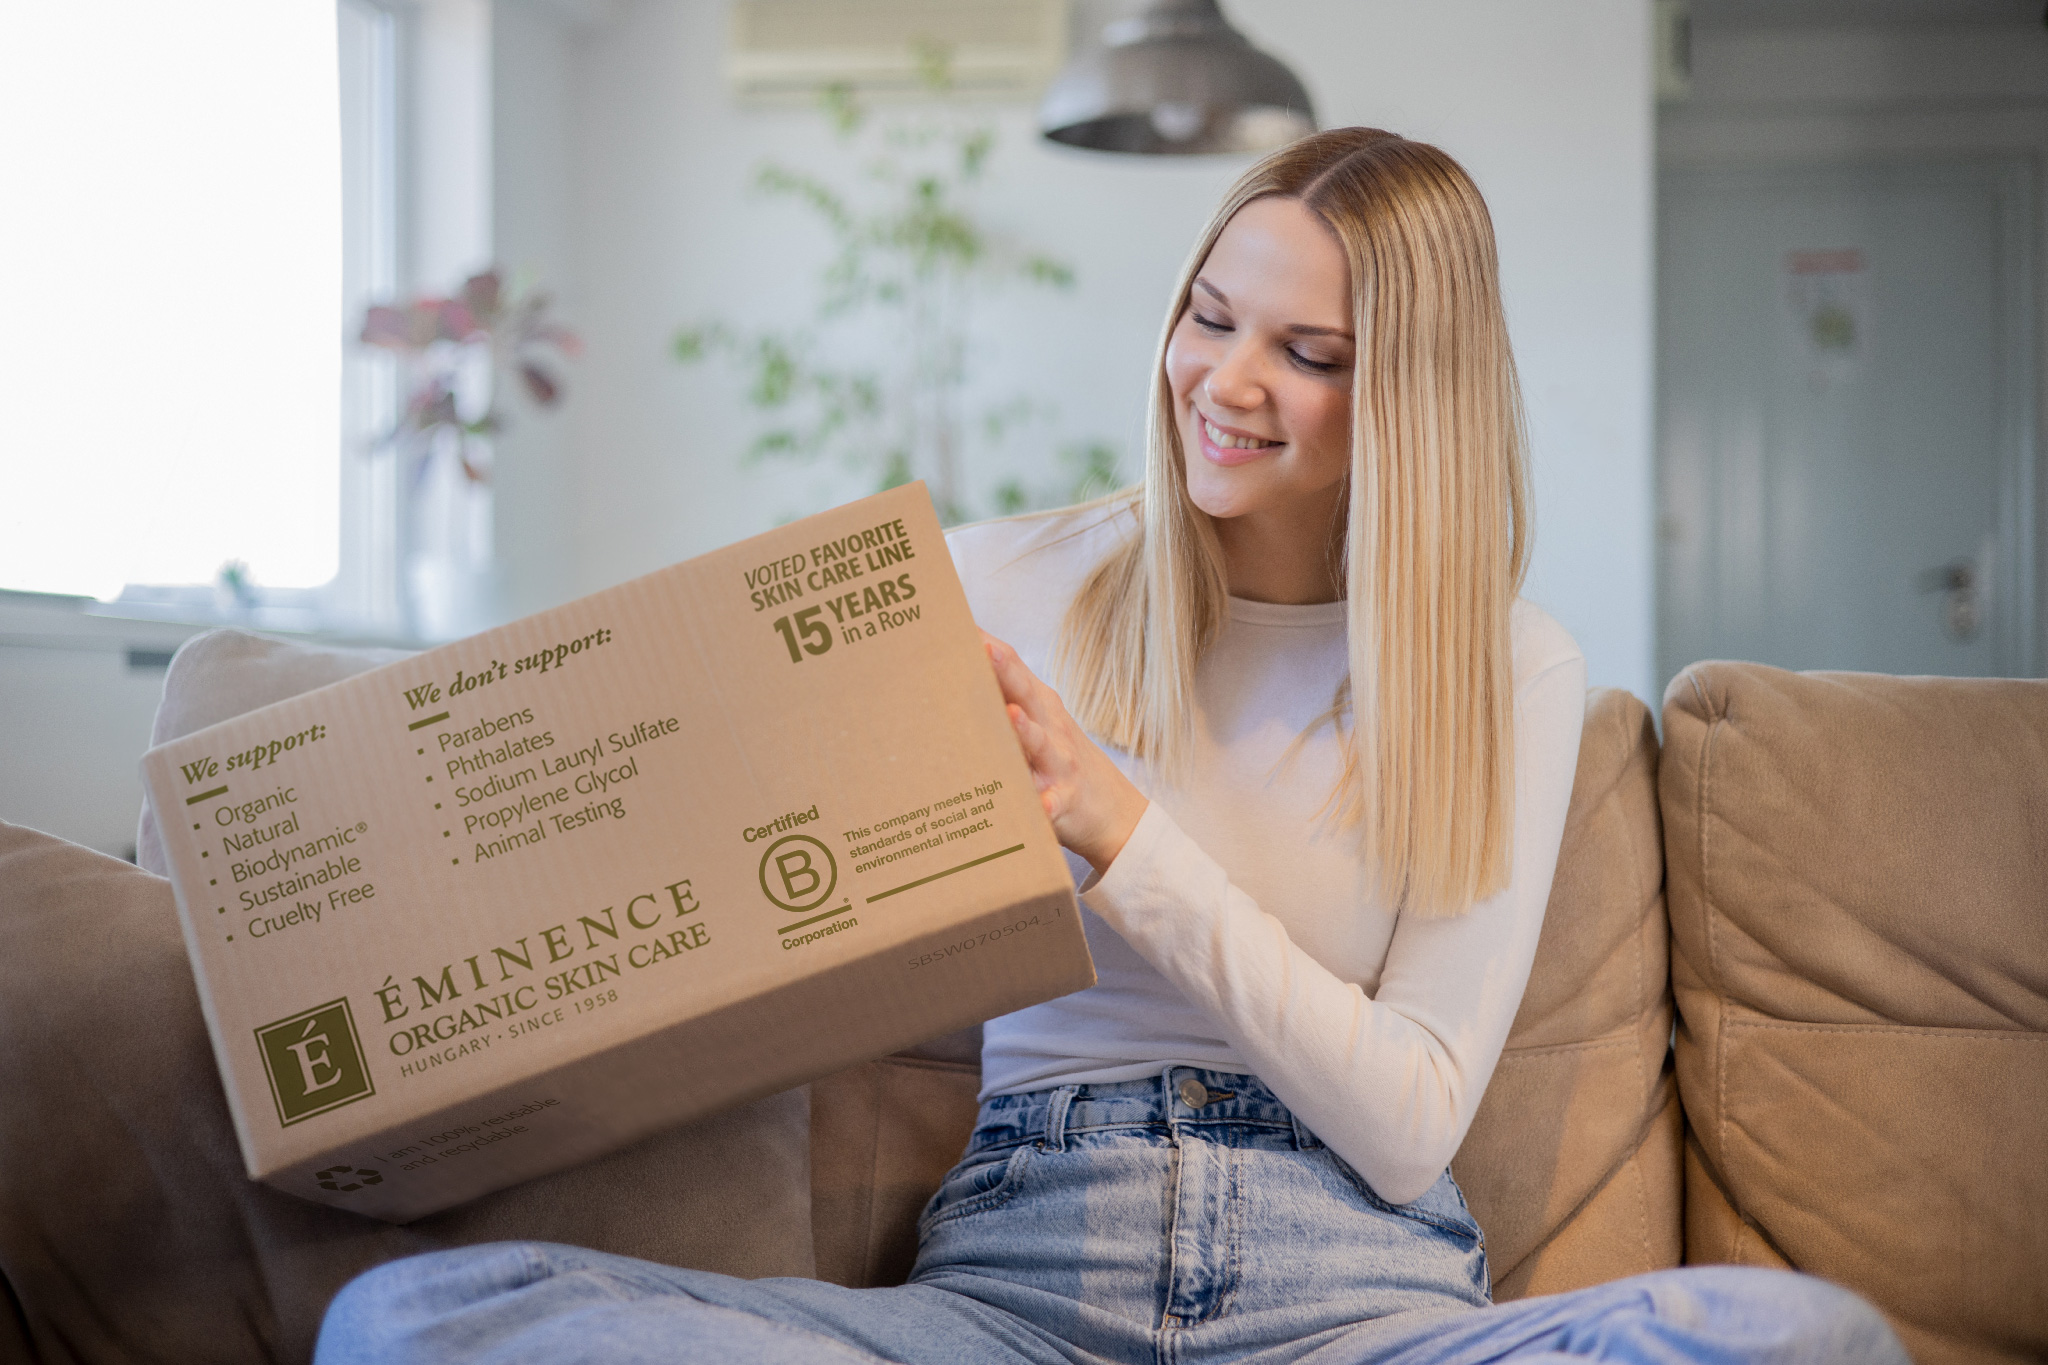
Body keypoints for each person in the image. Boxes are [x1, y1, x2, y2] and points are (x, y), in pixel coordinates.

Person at [316, 128, 1907, 1365]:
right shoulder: (997, 582)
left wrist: (1118, 828)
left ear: (1411, 395)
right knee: (417, 1320)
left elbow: (1414, 1113)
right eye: (1210, 317)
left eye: (1309, 352)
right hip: (1017, 1290)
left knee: (1802, 1334)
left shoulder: (1508, 665)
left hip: (1357, 1298)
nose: (1226, 381)